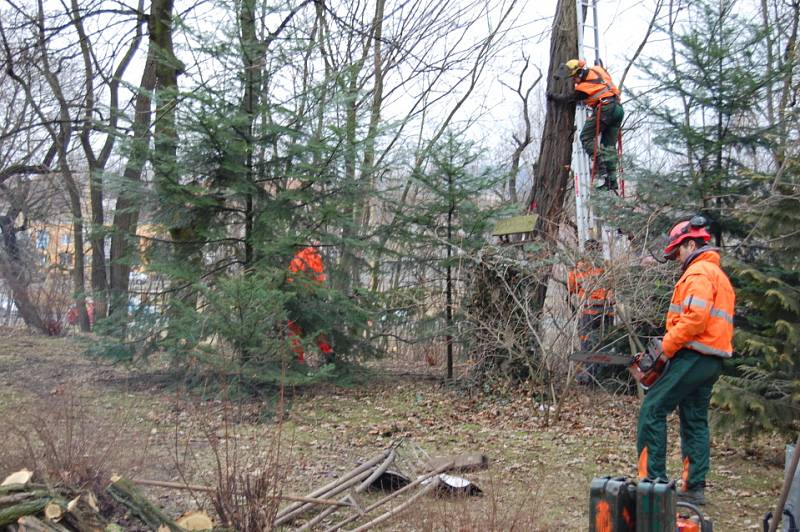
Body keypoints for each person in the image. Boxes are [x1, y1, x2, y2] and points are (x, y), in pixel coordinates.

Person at [636, 216, 735, 505]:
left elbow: (695, 318)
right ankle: (693, 487)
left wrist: (665, 347)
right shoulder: (719, 276)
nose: (677, 257)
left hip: (693, 354)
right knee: (694, 419)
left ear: (691, 243)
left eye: (678, 250)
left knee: (653, 409)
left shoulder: (699, 273)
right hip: (711, 360)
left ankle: (652, 483)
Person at [551, 59, 624, 191]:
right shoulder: (597, 70)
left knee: (585, 137)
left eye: (573, 78)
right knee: (609, 147)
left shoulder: (583, 88)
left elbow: (569, 99)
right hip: (618, 109)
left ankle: (601, 169)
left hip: (606, 108)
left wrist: (553, 97)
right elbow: (602, 70)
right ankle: (612, 181)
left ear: (579, 74)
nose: (573, 82)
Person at [568, 239, 614, 384]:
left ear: (586, 251)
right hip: (607, 311)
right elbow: (614, 285)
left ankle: (590, 377)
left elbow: (571, 288)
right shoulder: (607, 266)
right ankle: (603, 376)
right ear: (599, 251)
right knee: (604, 343)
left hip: (589, 311)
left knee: (587, 344)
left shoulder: (580, 267)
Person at [286, 244, 334, 364]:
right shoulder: (317, 258)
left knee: (294, 328)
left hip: (298, 297)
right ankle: (327, 351)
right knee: (317, 326)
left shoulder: (298, 258)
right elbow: (320, 280)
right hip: (313, 297)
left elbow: (291, 279)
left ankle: (299, 358)